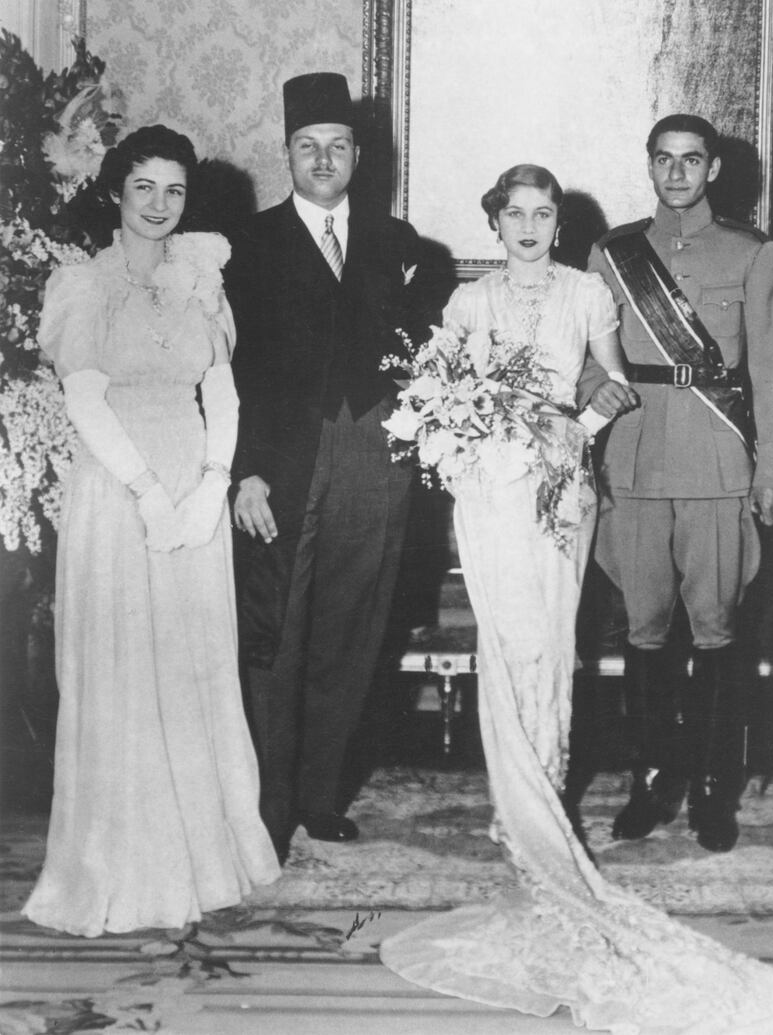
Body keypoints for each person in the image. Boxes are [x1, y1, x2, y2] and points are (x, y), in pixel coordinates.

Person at [379, 163, 773, 1033]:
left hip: (559, 489)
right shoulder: (467, 305)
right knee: (503, 642)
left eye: (544, 214)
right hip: (489, 492)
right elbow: (432, 395)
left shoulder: (586, 295)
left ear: (558, 225)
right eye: (515, 214)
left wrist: (578, 424)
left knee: (552, 648)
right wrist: (472, 429)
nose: (529, 226)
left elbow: (613, 383)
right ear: (493, 222)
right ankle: (514, 811)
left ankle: (545, 801)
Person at [22, 125, 280, 938]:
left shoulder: (201, 276)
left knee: (192, 664)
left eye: (175, 190)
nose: (161, 205)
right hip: (117, 486)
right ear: (115, 192)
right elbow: (86, 400)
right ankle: (123, 869)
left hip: (191, 477)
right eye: (145, 189)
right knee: (124, 668)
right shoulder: (82, 283)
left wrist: (211, 484)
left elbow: (224, 389)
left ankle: (204, 859)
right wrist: (148, 494)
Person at [227, 73, 436, 861]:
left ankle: (319, 796)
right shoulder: (249, 244)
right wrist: (244, 472)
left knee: (354, 627)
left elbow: (421, 350)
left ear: (358, 155)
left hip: (372, 454)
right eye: (307, 146)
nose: (323, 159)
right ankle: (267, 806)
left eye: (337, 146)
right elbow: (228, 370)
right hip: (281, 460)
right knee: (275, 632)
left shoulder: (397, 243)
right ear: (286, 152)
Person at [584, 114, 773, 853]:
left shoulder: (753, 252)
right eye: (664, 160)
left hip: (717, 465)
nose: (677, 173)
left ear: (712, 170)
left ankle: (712, 786)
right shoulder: (613, 254)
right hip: (636, 460)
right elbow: (588, 353)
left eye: (691, 160)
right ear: (649, 166)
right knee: (642, 631)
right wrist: (590, 402)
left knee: (717, 630)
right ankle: (650, 777)